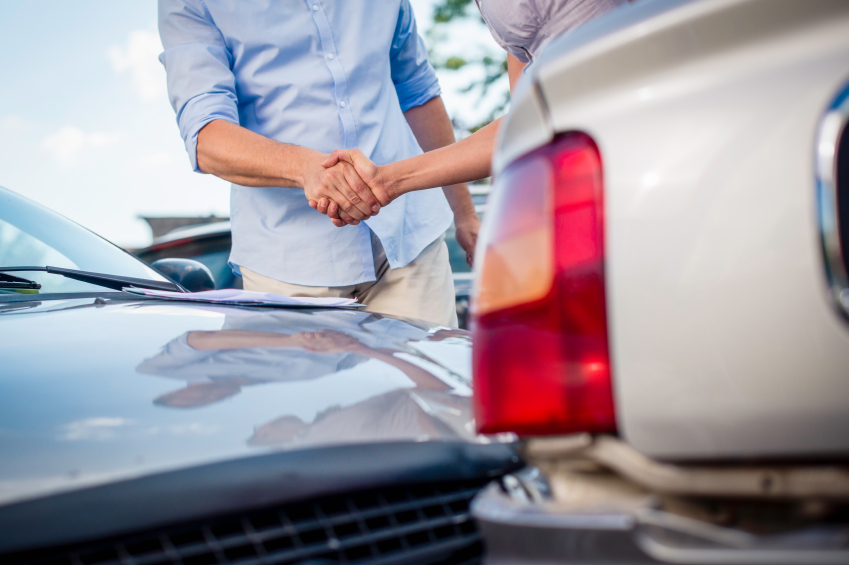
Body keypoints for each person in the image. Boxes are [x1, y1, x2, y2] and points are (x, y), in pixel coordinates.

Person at [157, 0, 480, 327]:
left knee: (432, 377)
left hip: (411, 244)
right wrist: (304, 168)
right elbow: (206, 137)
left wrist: (464, 213)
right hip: (288, 269)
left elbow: (417, 91)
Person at [316, 0, 629, 222]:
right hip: (575, 156)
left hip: (629, 135)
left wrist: (388, 180)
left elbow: (585, 92)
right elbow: (528, 98)